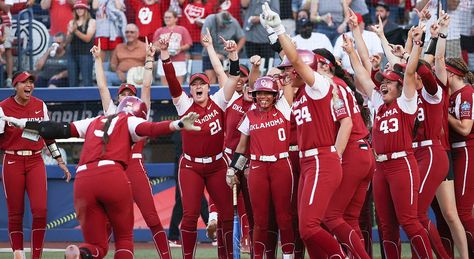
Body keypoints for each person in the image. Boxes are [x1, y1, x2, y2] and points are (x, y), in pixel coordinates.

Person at [1, 97, 200, 259]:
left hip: (83, 180)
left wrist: (22, 123)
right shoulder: (130, 120)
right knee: (123, 239)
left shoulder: (94, 120)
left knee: (96, 246)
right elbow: (151, 129)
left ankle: (82, 254)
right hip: (111, 174)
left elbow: (58, 128)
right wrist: (178, 123)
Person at [262, 5, 353, 257]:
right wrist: (272, 33)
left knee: (310, 227)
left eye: (292, 69)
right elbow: (287, 58)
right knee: (306, 230)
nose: (287, 72)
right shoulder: (300, 92)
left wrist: (281, 28)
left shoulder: (318, 85)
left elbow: (295, 60)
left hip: (322, 158)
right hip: (308, 161)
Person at [346, 23, 434, 257]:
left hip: (401, 163)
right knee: (386, 227)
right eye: (382, 80)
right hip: (380, 167)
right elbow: (363, 75)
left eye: (388, 80)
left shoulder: (406, 101)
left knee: (409, 220)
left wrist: (416, 44)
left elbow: (410, 71)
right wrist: (351, 51)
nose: (382, 83)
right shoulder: (377, 102)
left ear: (399, 84)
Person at [158, 32, 240, 258]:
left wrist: (233, 56)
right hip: (191, 166)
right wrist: (165, 55)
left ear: (208, 86)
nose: (197, 87)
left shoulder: (218, 100)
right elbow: (174, 83)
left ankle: (226, 255)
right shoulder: (183, 104)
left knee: (225, 215)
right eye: (194, 85)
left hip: (216, 164)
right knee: (190, 215)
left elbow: (233, 79)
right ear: (191, 90)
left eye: (201, 83)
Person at [92, 38, 172, 257]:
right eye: (123, 94)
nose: (126, 96)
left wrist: (149, 59)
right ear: (118, 98)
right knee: (108, 221)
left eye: (129, 94)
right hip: (114, 168)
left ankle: (167, 256)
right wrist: (98, 60)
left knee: (152, 218)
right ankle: (96, 254)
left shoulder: (140, 110)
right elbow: (101, 87)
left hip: (135, 167)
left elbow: (146, 86)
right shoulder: (112, 112)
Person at [0, 71, 71, 259]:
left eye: (31, 82)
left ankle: (36, 256)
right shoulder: (2, 108)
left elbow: (47, 134)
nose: (29, 85)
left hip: (35, 160)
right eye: (24, 82)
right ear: (15, 85)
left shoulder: (40, 105)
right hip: (12, 160)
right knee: (15, 213)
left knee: (40, 211)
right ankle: (18, 253)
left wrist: (59, 160)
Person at [227, 75, 295, 258]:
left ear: (275, 95)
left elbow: (288, 86)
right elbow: (242, 148)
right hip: (257, 167)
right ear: (254, 95)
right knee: (260, 220)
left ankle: (288, 256)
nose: (263, 97)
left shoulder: (283, 107)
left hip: (281, 164)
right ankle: (258, 256)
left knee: (284, 217)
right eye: (260, 93)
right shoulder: (249, 115)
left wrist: (285, 78)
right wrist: (233, 168)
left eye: (268, 93)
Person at [445, 57, 474, 255]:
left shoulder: (466, 93)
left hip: (465, 149)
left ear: (451, 74)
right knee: (453, 213)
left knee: (463, 213)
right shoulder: (451, 94)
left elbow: (465, 128)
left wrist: (442, 114)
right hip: (454, 151)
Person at [201, 8, 245, 84]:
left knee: (227, 80)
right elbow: (203, 38)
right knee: (211, 80)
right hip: (209, 53)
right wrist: (214, 54)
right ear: (218, 20)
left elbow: (242, 38)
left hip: (227, 55)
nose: (225, 26)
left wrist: (235, 51)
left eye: (227, 24)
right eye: (224, 24)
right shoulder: (210, 19)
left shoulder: (234, 22)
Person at [153, 10, 192, 85]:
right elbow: (155, 46)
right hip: (163, 60)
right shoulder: (160, 31)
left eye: (169, 17)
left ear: (176, 19)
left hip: (179, 60)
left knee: (178, 85)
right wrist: (163, 49)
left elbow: (188, 44)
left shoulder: (182, 30)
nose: (167, 19)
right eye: (165, 17)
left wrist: (179, 49)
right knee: (165, 85)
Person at [66, 1, 96, 87]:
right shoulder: (72, 22)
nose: (79, 10)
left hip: (85, 53)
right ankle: (73, 100)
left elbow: (87, 38)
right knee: (72, 81)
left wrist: (75, 31)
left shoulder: (91, 21)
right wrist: (70, 33)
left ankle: (88, 100)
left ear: (86, 9)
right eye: (77, 8)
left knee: (87, 81)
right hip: (72, 53)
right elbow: (67, 42)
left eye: (81, 8)